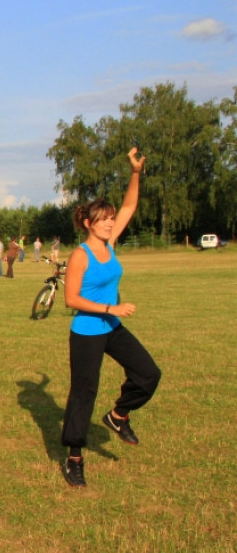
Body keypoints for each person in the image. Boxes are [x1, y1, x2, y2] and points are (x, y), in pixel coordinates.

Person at [61, 148, 161, 488]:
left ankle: (118, 415)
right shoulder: (81, 254)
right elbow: (70, 299)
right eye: (103, 219)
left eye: (111, 218)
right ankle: (74, 457)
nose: (109, 222)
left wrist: (135, 173)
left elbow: (130, 206)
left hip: (112, 328)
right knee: (83, 393)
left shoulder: (111, 243)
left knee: (148, 373)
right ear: (89, 224)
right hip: (88, 330)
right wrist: (110, 309)